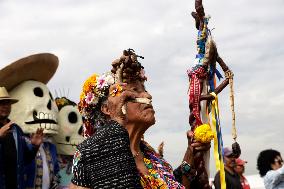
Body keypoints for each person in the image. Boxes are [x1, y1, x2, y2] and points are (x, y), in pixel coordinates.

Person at [70, 49, 211, 189]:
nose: (148, 96)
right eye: (135, 91)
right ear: (108, 109)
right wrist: (116, 123)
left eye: (145, 89)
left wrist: (191, 153)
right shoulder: (90, 154)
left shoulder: (152, 158)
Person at [0, 86, 44, 189]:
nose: (5, 106)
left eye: (7, 103)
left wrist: (34, 146)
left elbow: (25, 159)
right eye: (1, 103)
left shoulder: (16, 129)